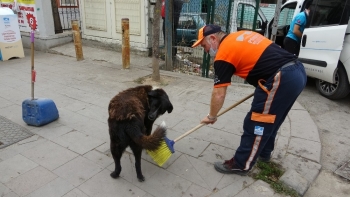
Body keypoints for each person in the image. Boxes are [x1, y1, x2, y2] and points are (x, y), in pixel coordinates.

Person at [191, 24, 307, 175]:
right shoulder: (240, 35)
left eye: (204, 46)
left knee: (256, 122)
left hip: (281, 78)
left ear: (213, 38)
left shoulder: (223, 54)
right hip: (297, 71)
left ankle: (241, 164)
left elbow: (219, 94)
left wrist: (212, 116)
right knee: (271, 119)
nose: (206, 51)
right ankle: (264, 154)